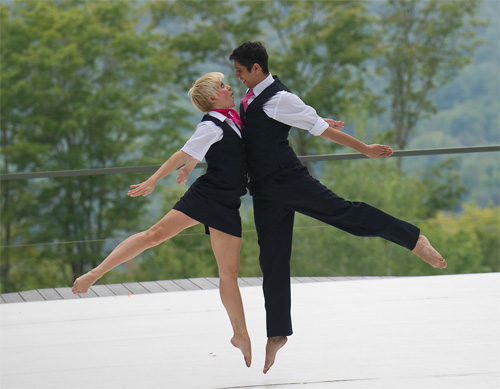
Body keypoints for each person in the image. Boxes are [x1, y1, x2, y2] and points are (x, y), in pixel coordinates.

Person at [228, 41, 447, 374]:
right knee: (271, 259)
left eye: (241, 72)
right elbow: (281, 122)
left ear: (256, 69)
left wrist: (365, 149)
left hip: (289, 181)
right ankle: (277, 332)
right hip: (265, 190)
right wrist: (308, 117)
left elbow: (321, 131)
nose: (239, 78)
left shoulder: (280, 97)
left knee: (348, 215)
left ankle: (413, 239)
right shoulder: (255, 97)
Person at [72, 72, 252, 367]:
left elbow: (201, 149)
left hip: (229, 202)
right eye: (222, 86)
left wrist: (192, 162)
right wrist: (153, 179)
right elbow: (182, 151)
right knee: (154, 235)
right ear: (211, 98)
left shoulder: (231, 118)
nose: (229, 87)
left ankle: (239, 334)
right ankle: (95, 273)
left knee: (229, 272)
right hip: (209, 195)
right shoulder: (213, 122)